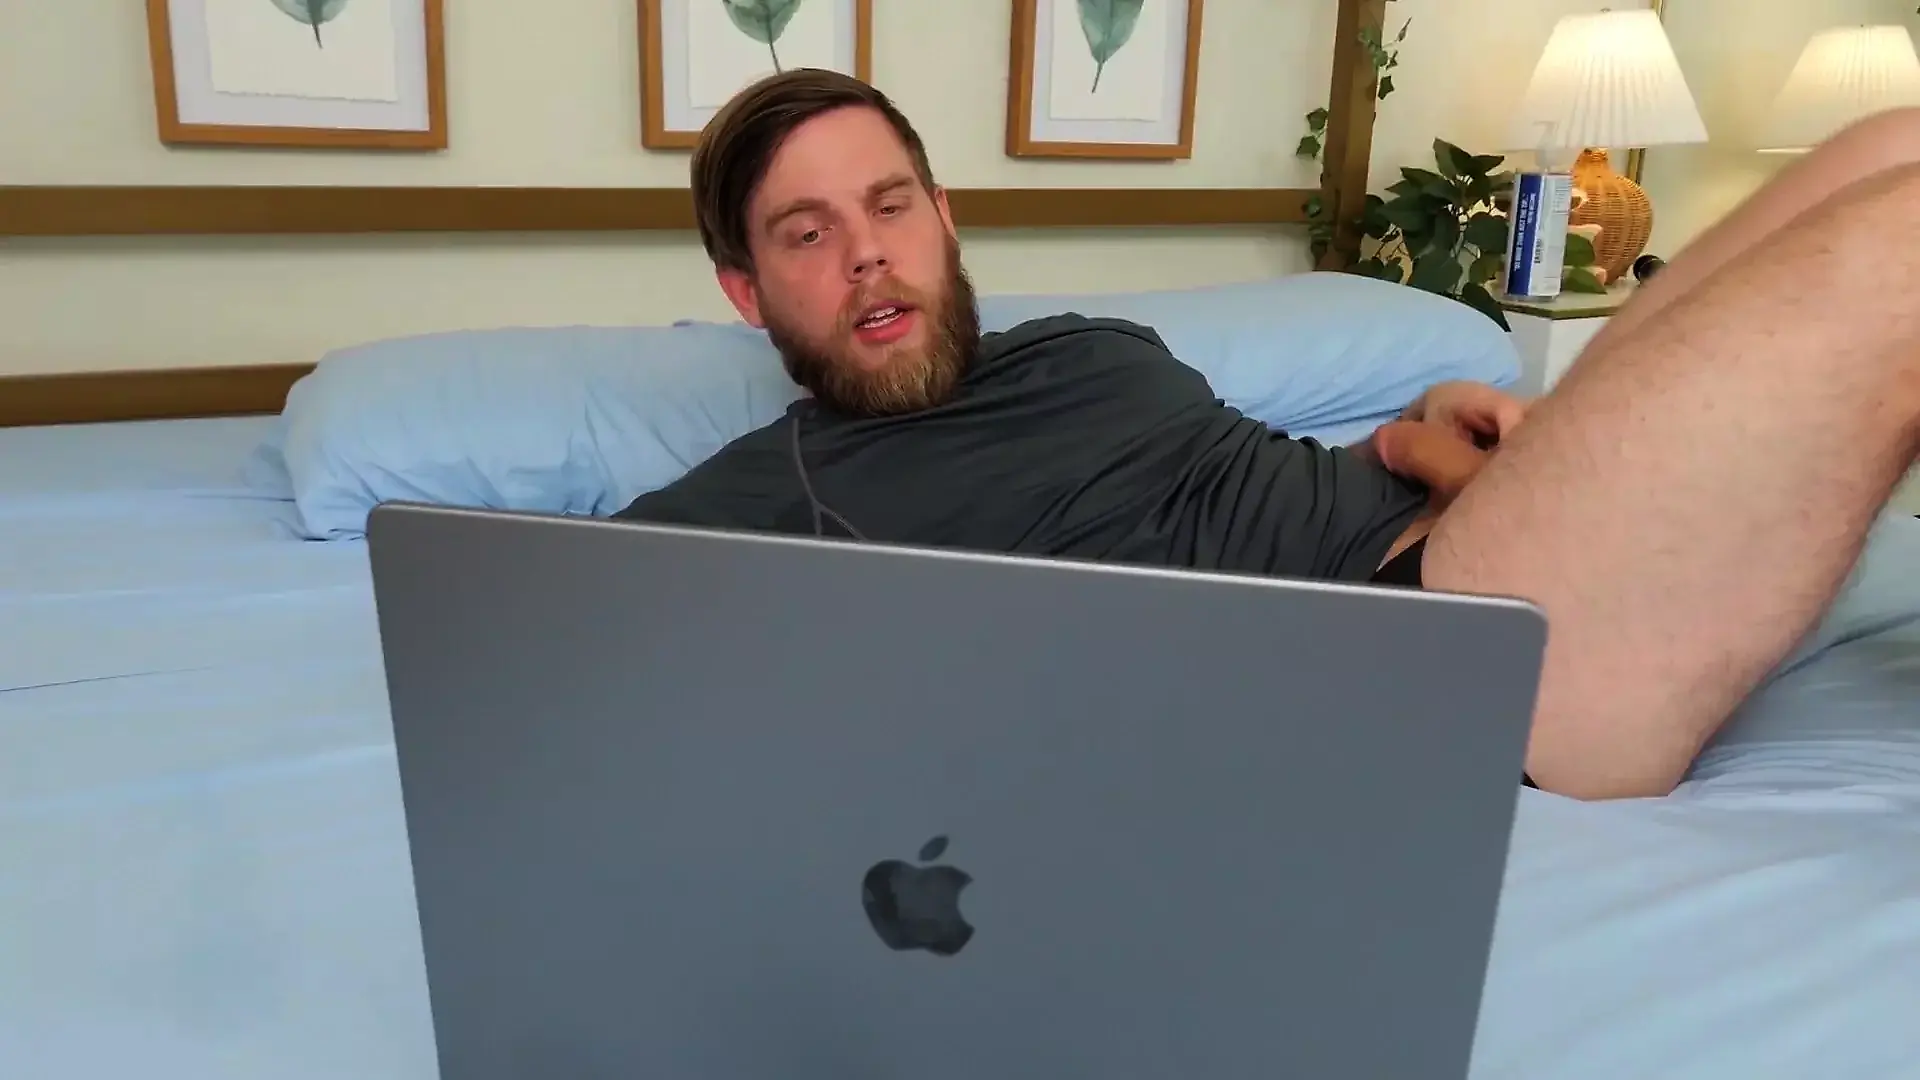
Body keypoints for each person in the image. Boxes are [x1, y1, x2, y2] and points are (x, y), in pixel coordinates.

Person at [618, 68, 1920, 802]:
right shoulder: (770, 493)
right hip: (1435, 661)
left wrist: (1402, 440)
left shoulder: (1086, 347)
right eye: (808, 234)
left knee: (1891, 145)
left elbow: (1234, 488)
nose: (866, 253)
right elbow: (553, 637)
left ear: (943, 216)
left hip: (1468, 530)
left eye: (890, 204)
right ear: (748, 294)